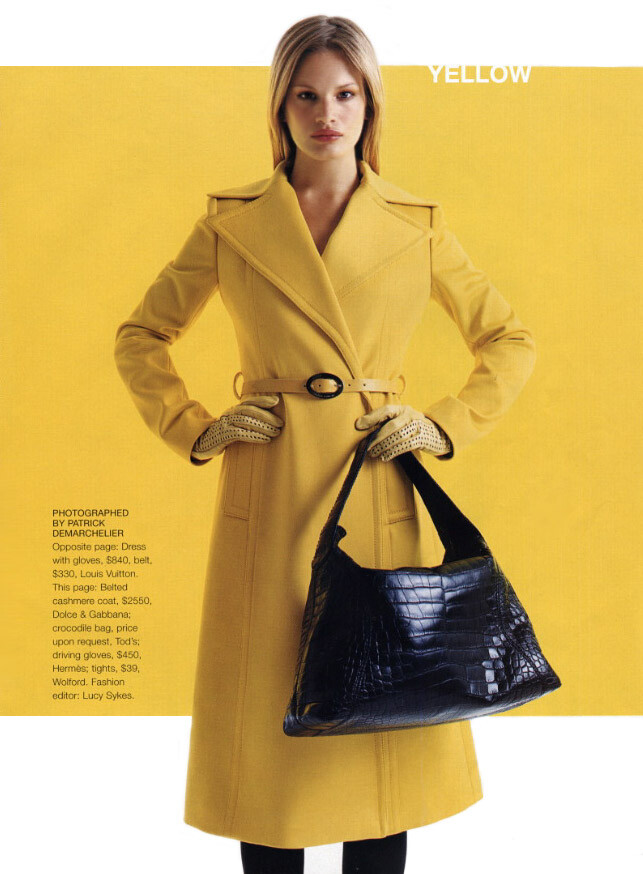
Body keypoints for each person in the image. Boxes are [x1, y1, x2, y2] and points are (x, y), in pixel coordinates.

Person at [114, 14, 536, 874]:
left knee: (377, 711)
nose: (326, 114)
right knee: (268, 725)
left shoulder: (414, 223)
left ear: (370, 103)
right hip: (269, 489)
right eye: (305, 95)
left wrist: (442, 423)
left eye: (345, 94)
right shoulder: (232, 224)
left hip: (371, 482)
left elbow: (509, 340)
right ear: (280, 106)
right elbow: (140, 337)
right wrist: (196, 426)